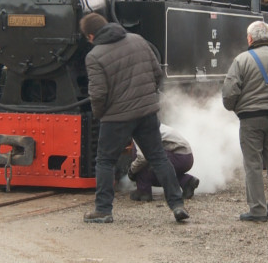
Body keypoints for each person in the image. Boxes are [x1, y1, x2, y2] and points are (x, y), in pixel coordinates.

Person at [79, 12, 189, 223]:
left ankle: (103, 210)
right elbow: (157, 73)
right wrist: (147, 98)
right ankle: (177, 205)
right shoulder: (137, 40)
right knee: (158, 157)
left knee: (105, 161)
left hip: (116, 118)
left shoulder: (94, 56)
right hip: (146, 113)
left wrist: (100, 115)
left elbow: (98, 94)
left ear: (91, 36)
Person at [222, 21, 268, 222]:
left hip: (250, 118)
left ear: (250, 38)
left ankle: (257, 210)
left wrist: (235, 108)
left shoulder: (241, 60)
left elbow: (229, 92)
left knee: (253, 163)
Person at [128, 124, 200, 202]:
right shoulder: (152, 123)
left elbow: (142, 158)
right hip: (187, 157)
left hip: (178, 157)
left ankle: (143, 191)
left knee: (141, 161)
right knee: (153, 167)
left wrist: (132, 170)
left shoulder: (140, 131)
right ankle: (186, 181)